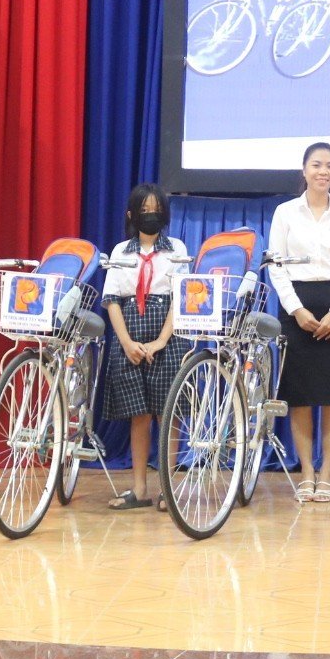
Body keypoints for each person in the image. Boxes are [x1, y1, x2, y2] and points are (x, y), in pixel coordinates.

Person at [269, 143, 330, 504]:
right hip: (297, 308)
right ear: (304, 170)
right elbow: (276, 266)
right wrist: (296, 310)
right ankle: (307, 471)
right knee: (301, 397)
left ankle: (327, 474)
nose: (324, 172)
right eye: (317, 165)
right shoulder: (285, 213)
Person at [100, 183, 190, 511]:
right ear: (131, 215)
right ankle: (139, 489)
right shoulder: (120, 251)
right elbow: (111, 300)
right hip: (130, 333)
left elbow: (182, 297)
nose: (150, 215)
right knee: (138, 415)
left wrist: (162, 340)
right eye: (144, 210)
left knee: (168, 412)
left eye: (156, 210)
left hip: (168, 334)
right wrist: (126, 342)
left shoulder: (177, 248)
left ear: (165, 214)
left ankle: (167, 488)